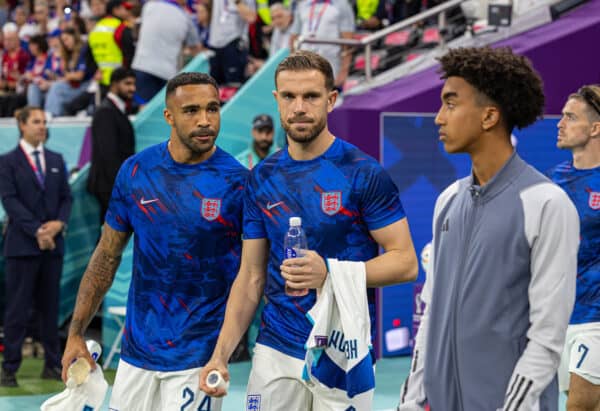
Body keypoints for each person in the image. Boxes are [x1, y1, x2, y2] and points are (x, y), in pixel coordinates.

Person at [200, 50, 418, 409]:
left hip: (343, 347)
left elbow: (406, 262)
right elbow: (251, 276)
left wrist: (330, 272)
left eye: (311, 96)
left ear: (331, 100)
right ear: (277, 100)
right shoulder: (262, 179)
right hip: (277, 345)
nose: (299, 107)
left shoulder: (363, 173)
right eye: (289, 96)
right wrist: (220, 354)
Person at [397, 47, 580, 411]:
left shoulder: (547, 203)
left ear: (489, 116)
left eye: (450, 103)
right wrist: (412, 401)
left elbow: (547, 338)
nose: (438, 118)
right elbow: (430, 316)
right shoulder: (447, 200)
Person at [61, 72, 248, 410]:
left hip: (198, 358)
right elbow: (107, 254)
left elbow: (253, 274)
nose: (205, 120)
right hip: (136, 356)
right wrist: (76, 332)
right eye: (191, 110)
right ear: (168, 116)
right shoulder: (136, 172)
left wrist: (223, 352)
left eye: (213, 108)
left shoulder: (237, 183)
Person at [0, 106, 73, 387]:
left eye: (44, 121)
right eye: (36, 122)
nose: (42, 126)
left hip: (53, 246)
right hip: (22, 246)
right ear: (21, 125)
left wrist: (57, 225)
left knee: (50, 308)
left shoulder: (56, 159)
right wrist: (37, 230)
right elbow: (10, 201)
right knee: (17, 309)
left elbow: (66, 198)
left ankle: (53, 364)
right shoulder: (7, 162)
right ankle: (9, 368)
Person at [548, 84, 600, 411]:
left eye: (570, 117)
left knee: (578, 407)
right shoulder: (555, 179)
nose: (560, 123)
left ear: (595, 128)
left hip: (597, 314)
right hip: (564, 314)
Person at [87, 67, 136, 223]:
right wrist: (121, 189)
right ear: (114, 84)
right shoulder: (106, 112)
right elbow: (109, 155)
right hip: (110, 186)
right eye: (127, 84)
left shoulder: (115, 109)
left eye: (134, 84)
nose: (132, 88)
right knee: (110, 238)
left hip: (114, 185)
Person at [132, 0, 202, 103]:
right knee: (164, 111)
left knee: (144, 108)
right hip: (166, 73)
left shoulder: (149, 6)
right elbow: (196, 48)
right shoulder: (186, 18)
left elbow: (137, 30)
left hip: (142, 66)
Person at [289, 0, 355, 89]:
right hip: (304, 64)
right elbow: (294, 37)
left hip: (330, 63)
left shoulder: (342, 4)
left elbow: (348, 40)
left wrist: (344, 71)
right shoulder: (302, 5)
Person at [88, 0, 135, 95]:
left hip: (102, 80)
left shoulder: (96, 28)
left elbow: (89, 57)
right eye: (125, 9)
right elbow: (130, 54)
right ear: (116, 10)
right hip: (121, 81)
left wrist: (94, 72)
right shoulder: (121, 28)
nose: (128, 12)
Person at [207, 0, 256, 85]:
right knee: (214, 86)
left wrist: (237, 2)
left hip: (233, 44)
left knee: (233, 86)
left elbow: (251, 17)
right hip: (214, 44)